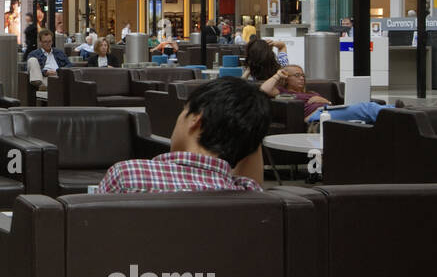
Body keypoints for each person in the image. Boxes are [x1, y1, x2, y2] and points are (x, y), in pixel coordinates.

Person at [97, 78, 271, 193]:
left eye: (183, 111)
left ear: (196, 119)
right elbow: (252, 172)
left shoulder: (128, 175)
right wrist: (250, 122)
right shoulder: (248, 192)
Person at [259, 64, 390, 127]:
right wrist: (278, 75)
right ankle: (397, 112)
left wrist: (322, 100)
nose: (301, 78)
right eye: (297, 75)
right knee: (366, 108)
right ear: (286, 78)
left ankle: (397, 111)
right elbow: (264, 89)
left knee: (369, 113)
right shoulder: (284, 92)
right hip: (314, 117)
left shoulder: (311, 93)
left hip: (328, 111)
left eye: (303, 76)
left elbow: (330, 105)